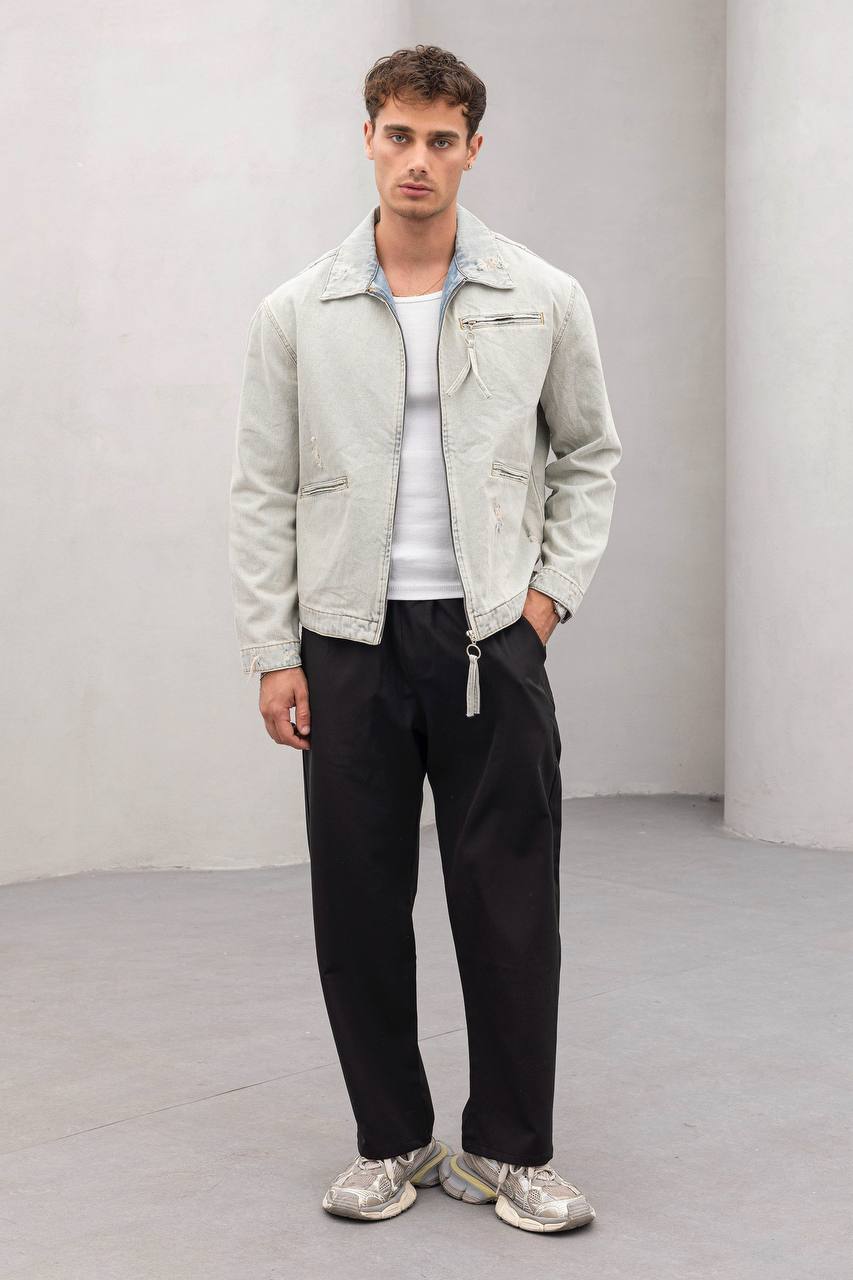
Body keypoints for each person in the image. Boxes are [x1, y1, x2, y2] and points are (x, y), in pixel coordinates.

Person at [228, 43, 621, 1233]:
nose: (417, 159)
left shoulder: (539, 296)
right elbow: (262, 488)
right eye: (397, 134)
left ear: (471, 150)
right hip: (346, 641)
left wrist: (543, 604)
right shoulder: (298, 310)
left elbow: (589, 455)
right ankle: (391, 1138)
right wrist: (274, 648)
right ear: (368, 138)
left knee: (509, 902)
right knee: (357, 903)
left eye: (440, 140)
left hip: (490, 637)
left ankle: (510, 1148)